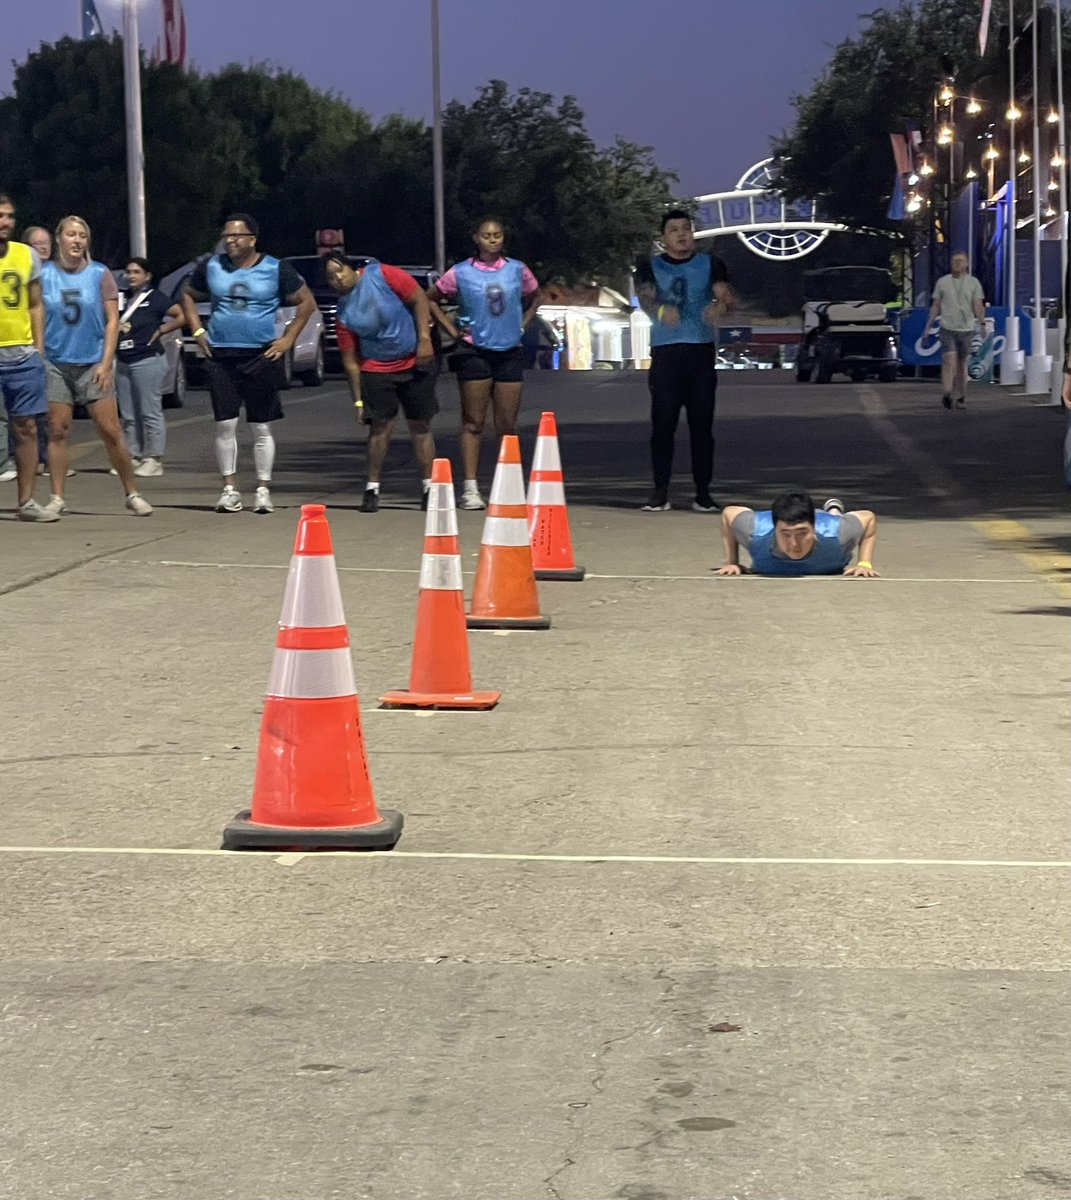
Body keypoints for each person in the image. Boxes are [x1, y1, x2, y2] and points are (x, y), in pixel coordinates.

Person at [181, 214, 315, 514]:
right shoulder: (212, 266)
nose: (231, 241)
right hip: (221, 354)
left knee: (261, 426)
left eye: (237, 236)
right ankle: (230, 489)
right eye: (227, 235)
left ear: (253, 239)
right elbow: (187, 295)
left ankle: (263, 489)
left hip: (260, 354)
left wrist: (287, 339)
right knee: (225, 424)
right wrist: (197, 329)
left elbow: (306, 302)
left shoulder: (275, 268)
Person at [41, 215, 152, 516]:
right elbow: (35, 315)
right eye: (71, 234)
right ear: (59, 238)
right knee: (58, 430)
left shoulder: (100, 274)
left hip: (92, 362)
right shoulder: (44, 274)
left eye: (82, 235)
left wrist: (106, 362)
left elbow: (113, 320)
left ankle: (132, 492)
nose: (76, 240)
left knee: (110, 430)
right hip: (55, 362)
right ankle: (57, 497)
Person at [427, 217, 541, 510]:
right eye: (486, 235)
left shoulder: (517, 269)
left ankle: (508, 485)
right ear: (476, 238)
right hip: (474, 351)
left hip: (509, 348)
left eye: (497, 235)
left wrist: (523, 323)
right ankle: (470, 487)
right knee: (473, 421)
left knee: (506, 423)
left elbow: (536, 295)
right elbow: (431, 298)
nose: (492, 240)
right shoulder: (462, 272)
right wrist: (452, 330)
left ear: (503, 238)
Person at [633, 209, 735, 513]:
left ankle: (703, 493)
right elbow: (647, 299)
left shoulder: (710, 264)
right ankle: (660, 491)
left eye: (686, 229)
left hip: (700, 352)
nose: (681, 235)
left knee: (702, 425)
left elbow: (725, 295)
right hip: (666, 352)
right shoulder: (649, 266)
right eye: (674, 230)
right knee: (663, 423)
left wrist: (721, 305)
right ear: (664, 238)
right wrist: (664, 311)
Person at [324, 252, 438, 513]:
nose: (337, 279)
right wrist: (358, 400)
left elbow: (419, 298)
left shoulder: (383, 274)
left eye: (339, 271)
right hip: (376, 368)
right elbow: (350, 361)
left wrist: (424, 339)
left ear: (352, 269)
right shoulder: (344, 311)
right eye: (330, 277)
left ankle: (429, 486)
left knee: (420, 425)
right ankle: (372, 488)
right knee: (380, 428)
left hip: (413, 361)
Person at [0, 193, 58, 520]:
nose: (5, 222)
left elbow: (36, 303)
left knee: (27, 429)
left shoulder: (25, 256)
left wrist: (39, 348)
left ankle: (26, 502)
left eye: (9, 216)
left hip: (21, 357)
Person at [114, 257, 185, 476]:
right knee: (128, 412)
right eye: (128, 271)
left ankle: (154, 458)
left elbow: (181, 315)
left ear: (147, 275)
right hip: (123, 358)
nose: (131, 276)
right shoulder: (121, 297)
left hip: (147, 359)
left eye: (136, 272)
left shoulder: (155, 298)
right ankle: (133, 455)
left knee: (149, 410)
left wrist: (163, 331)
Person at [714, 491, 878, 577]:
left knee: (835, 519)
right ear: (775, 527)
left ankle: (834, 511)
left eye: (802, 533)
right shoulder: (755, 530)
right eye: (785, 534)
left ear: (813, 528)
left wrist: (864, 563)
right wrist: (732, 562)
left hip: (828, 522)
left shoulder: (838, 533)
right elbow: (729, 513)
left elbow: (868, 518)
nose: (794, 544)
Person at [923, 251, 985, 409]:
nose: (957, 264)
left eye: (960, 261)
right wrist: (928, 326)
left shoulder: (973, 283)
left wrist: (982, 323)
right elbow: (936, 305)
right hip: (947, 327)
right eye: (955, 261)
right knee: (949, 359)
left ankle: (962, 396)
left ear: (967, 264)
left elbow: (977, 304)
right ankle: (947, 393)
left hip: (967, 328)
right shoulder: (942, 282)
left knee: (962, 363)